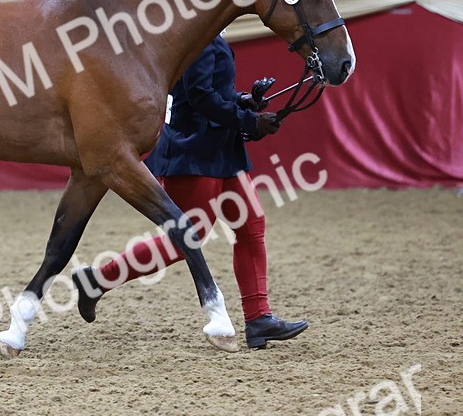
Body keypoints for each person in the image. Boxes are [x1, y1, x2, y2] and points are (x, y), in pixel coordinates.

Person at [72, 33, 309, 351]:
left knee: (251, 227)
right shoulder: (201, 38)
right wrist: (248, 121)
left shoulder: (209, 35)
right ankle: (98, 279)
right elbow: (199, 97)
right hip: (196, 151)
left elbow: (210, 91)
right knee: (184, 241)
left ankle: (258, 318)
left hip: (220, 149)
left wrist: (243, 101)